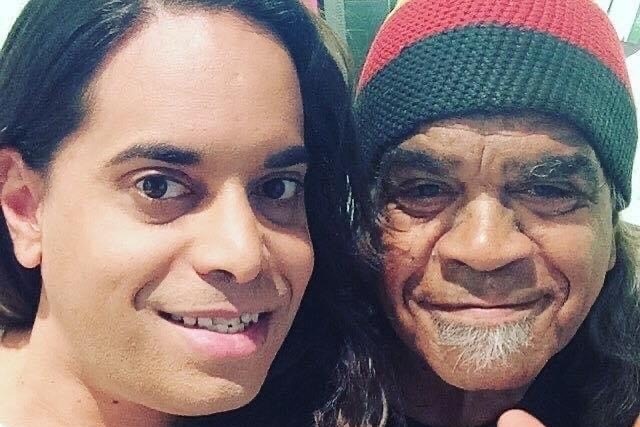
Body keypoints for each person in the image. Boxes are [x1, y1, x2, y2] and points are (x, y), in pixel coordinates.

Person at [0, 1, 384, 426]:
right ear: (24, 205)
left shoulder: (339, 402)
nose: (243, 256)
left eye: (277, 188)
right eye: (158, 186)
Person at [351, 0, 640, 426]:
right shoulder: (283, 390)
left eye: (547, 189)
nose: (484, 250)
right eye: (424, 190)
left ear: (610, 230)